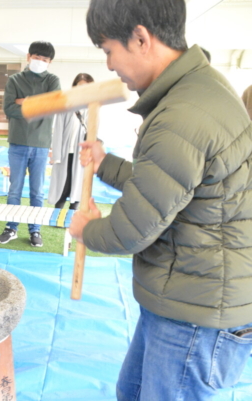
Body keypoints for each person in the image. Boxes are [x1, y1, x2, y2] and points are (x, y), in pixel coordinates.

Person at [69, 1, 252, 400]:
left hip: (196, 313)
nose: (110, 65)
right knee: (131, 392)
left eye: (108, 50)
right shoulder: (197, 91)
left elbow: (132, 228)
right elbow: (168, 186)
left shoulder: (182, 113)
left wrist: (87, 230)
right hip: (185, 298)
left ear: (140, 38)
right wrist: (105, 164)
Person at [0, 41, 61, 247]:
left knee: (37, 191)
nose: (40, 62)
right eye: (37, 58)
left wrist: (24, 101)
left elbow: (51, 107)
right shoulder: (15, 80)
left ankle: (35, 229)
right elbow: (9, 109)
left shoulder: (53, 80)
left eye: (44, 60)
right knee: (15, 189)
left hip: (41, 144)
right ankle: (11, 227)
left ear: (50, 62)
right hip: (17, 142)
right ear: (28, 57)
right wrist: (37, 103)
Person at [48, 73, 94, 210]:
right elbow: (58, 130)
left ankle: (70, 218)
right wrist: (55, 154)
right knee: (63, 184)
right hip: (65, 151)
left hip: (82, 152)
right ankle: (57, 216)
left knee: (79, 184)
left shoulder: (92, 106)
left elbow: (94, 130)